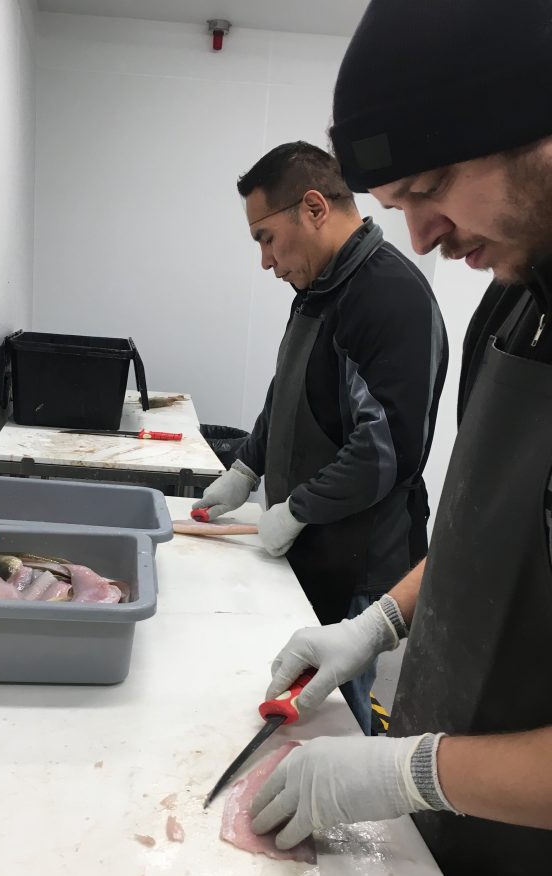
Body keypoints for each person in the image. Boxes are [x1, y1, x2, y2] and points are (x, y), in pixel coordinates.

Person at [249, 2, 552, 876]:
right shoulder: (514, 303)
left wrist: (408, 769)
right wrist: (376, 622)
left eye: (427, 190)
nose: (417, 235)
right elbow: (481, 525)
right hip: (451, 840)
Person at [193, 142, 447, 734]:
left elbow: (386, 451)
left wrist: (296, 508)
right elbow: (287, 393)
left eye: (265, 238)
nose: (265, 260)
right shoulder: (319, 289)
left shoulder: (389, 296)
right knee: (292, 698)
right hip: (314, 543)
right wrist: (247, 469)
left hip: (362, 563)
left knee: (332, 716)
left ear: (312, 208)